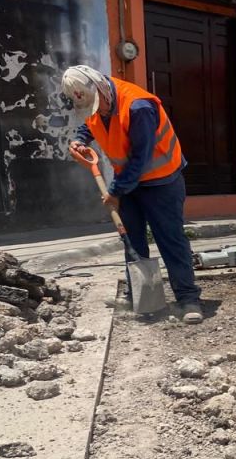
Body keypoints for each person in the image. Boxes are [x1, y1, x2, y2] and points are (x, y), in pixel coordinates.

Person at [61, 65, 202, 323]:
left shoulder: (138, 107)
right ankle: (138, 295)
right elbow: (92, 124)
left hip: (162, 182)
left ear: (101, 89)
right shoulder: (97, 100)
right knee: (131, 241)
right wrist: (81, 139)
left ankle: (188, 298)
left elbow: (140, 158)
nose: (97, 111)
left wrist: (114, 191)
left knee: (170, 239)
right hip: (130, 181)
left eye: (98, 106)